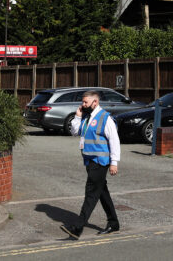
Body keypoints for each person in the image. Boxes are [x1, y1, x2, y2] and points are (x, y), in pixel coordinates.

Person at [60, 90, 120, 239]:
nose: (83, 104)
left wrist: (114, 163)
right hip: (89, 161)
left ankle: (77, 228)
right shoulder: (86, 117)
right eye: (83, 102)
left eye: (86, 102)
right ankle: (114, 223)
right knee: (101, 192)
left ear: (95, 102)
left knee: (91, 193)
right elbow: (75, 132)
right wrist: (78, 116)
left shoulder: (105, 118)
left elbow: (114, 141)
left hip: (100, 162)